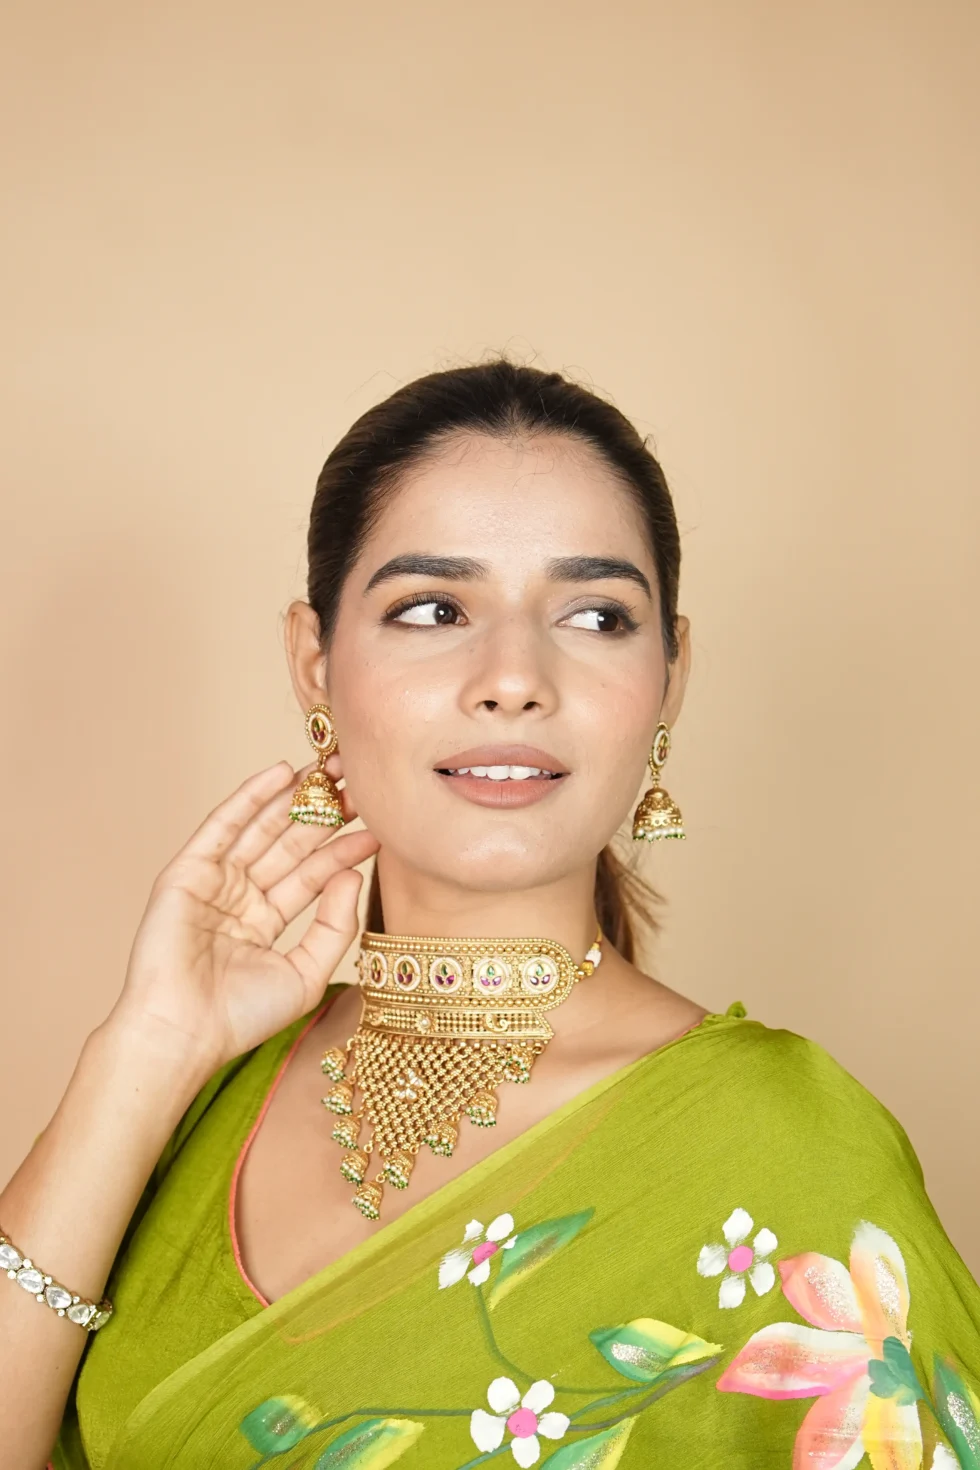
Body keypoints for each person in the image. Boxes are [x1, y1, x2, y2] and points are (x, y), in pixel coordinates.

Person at [1, 360, 978, 1470]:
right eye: (433, 609)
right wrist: (144, 1051)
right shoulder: (196, 1091)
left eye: (595, 616)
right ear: (315, 662)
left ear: (669, 676)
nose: (513, 678)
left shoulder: (782, 1152)